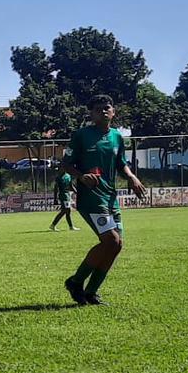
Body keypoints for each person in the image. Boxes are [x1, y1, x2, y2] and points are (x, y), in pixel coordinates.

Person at [60, 94, 146, 306]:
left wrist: (132, 176)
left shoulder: (117, 137)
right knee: (111, 241)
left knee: (116, 246)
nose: (103, 111)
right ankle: (75, 281)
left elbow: (121, 163)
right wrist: (81, 175)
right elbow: (65, 164)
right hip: (92, 199)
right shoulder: (81, 135)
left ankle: (90, 292)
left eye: (107, 107)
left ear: (113, 112)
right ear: (91, 114)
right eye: (98, 109)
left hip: (111, 198)